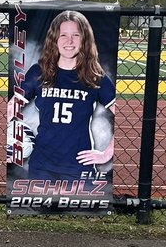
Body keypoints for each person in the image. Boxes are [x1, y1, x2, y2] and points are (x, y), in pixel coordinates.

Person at [10, 11, 116, 182]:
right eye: (63, 35)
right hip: (42, 164)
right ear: (54, 39)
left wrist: (107, 153)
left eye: (76, 35)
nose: (69, 41)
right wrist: (9, 134)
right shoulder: (39, 72)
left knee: (79, 209)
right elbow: (12, 106)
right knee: (40, 208)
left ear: (85, 40)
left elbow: (125, 116)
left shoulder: (95, 76)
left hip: (79, 165)